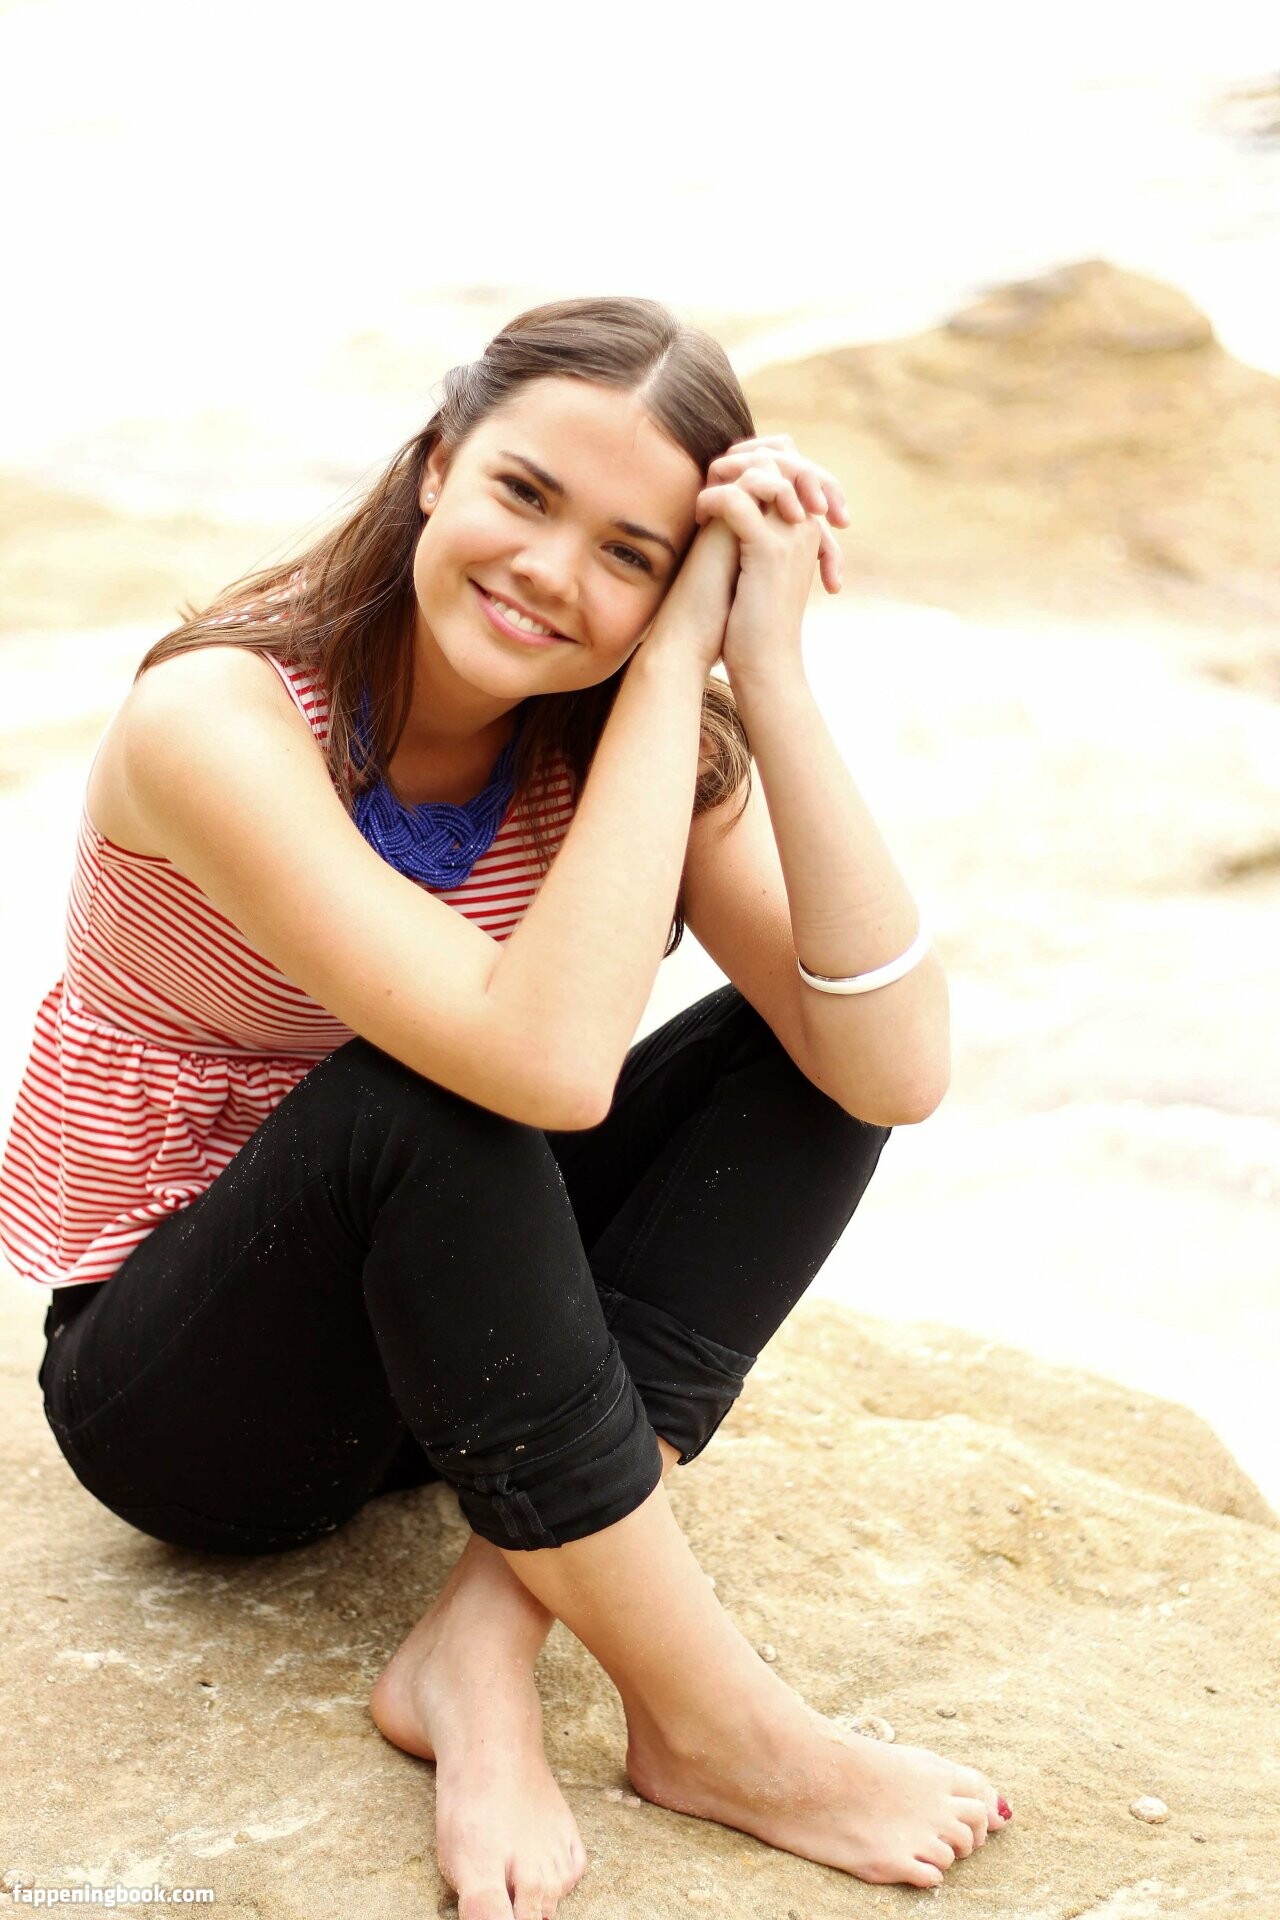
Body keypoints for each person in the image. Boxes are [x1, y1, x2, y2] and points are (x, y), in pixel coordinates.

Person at [1, 296, 1011, 1917]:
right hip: (192, 1396)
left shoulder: (618, 736)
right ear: (434, 465)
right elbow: (538, 1069)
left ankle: (482, 1636)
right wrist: (668, 655)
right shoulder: (220, 716)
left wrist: (759, 665)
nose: (550, 572)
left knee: (804, 1045)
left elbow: (893, 1066)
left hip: (461, 1363)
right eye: (524, 494)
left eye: (630, 555)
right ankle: (717, 1721)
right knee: (431, 1089)